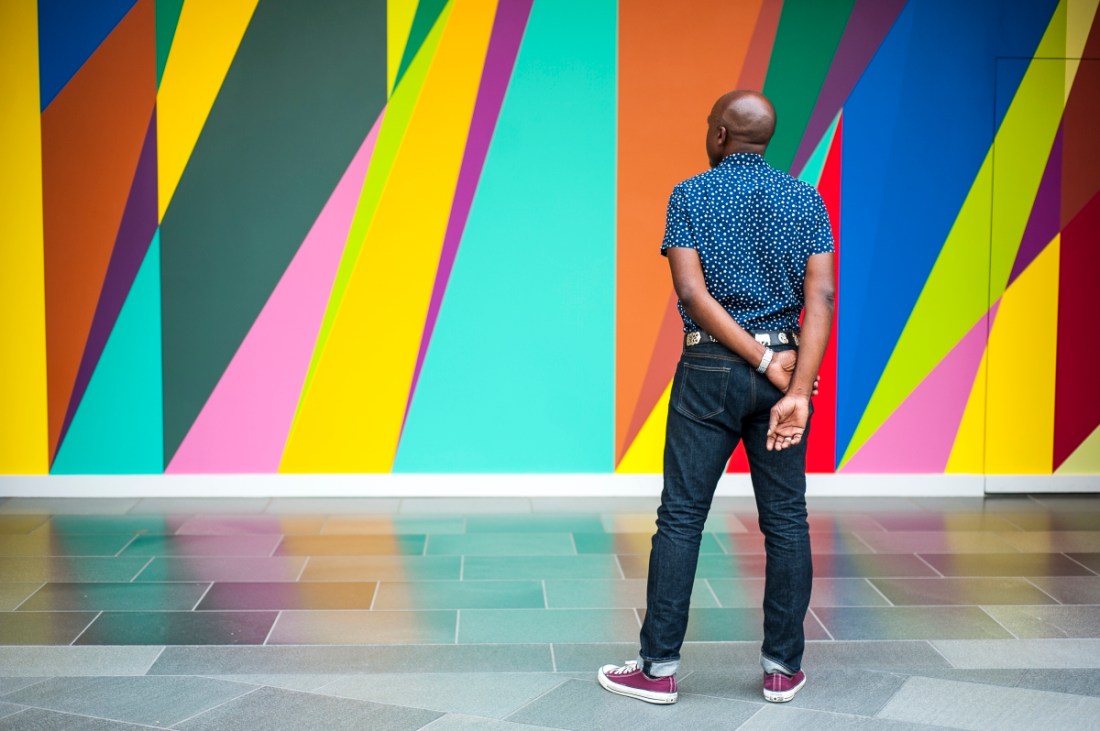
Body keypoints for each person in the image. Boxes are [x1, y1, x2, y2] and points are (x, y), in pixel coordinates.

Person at [598, 90, 835, 705]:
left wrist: (751, 359)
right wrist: (797, 388)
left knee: (681, 516)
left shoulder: (691, 195)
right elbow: (822, 299)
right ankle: (782, 669)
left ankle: (657, 671)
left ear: (723, 135)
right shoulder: (806, 199)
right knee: (786, 520)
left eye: (711, 126)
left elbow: (692, 294)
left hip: (709, 368)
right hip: (785, 368)